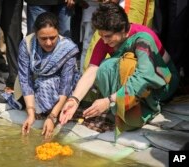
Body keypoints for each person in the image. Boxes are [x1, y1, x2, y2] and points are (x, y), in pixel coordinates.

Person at [59, 2, 179, 138]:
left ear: (122, 29)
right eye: (101, 35)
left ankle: (147, 107)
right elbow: (92, 71)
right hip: (135, 84)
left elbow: (144, 76)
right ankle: (122, 106)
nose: (104, 41)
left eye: (108, 36)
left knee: (126, 64)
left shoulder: (143, 37)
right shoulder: (106, 39)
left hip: (161, 84)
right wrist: (74, 100)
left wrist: (109, 100)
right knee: (105, 68)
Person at [14, 12, 80, 139]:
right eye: (43, 39)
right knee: (40, 83)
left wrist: (52, 117)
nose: (48, 43)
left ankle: (50, 111)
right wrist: (31, 113)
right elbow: (25, 79)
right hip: (33, 87)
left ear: (58, 32)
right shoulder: (27, 44)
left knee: (47, 83)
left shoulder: (67, 48)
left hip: (58, 89)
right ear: (36, 35)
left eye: (53, 38)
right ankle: (38, 109)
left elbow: (65, 87)